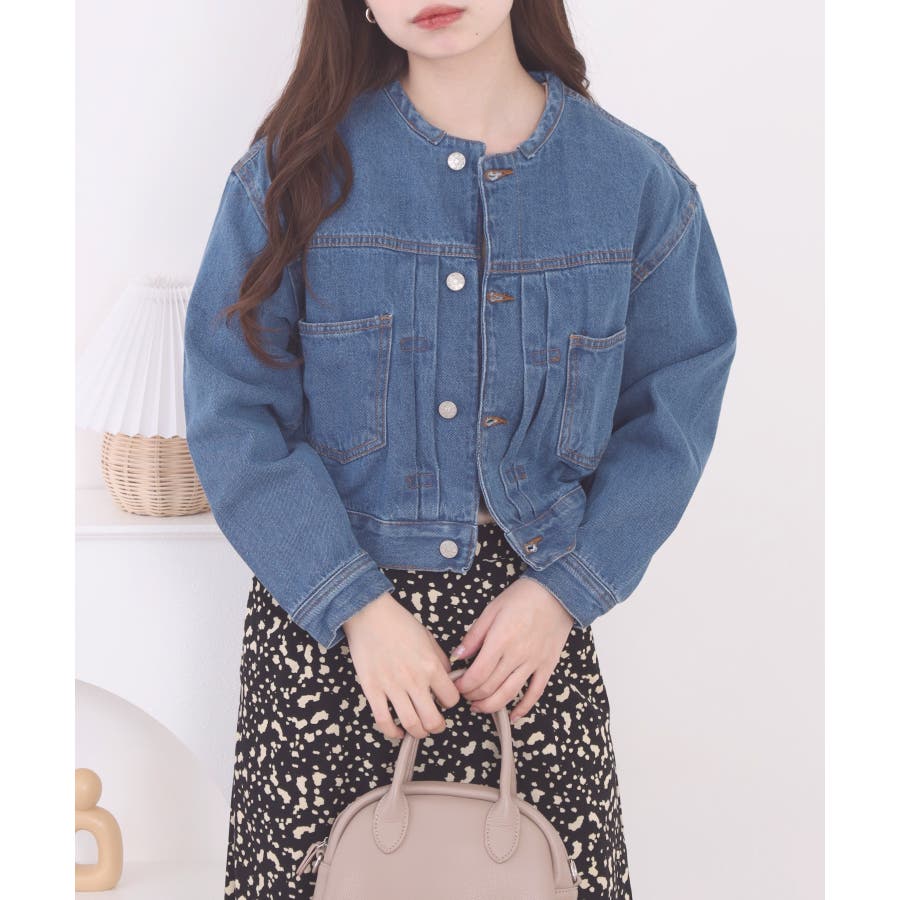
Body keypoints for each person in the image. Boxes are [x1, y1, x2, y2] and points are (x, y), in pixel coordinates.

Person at [182, 2, 738, 897]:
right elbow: (233, 413)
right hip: (331, 643)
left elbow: (672, 415)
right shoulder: (291, 176)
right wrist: (358, 609)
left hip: (527, 647)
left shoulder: (633, 184)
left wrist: (563, 592)